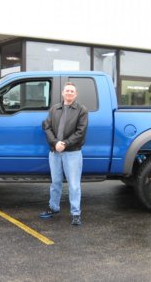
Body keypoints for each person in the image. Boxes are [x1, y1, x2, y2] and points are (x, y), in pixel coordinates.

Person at [39, 82, 88, 226]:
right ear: (63, 93)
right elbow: (46, 127)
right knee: (55, 183)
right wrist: (55, 143)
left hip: (72, 152)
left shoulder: (81, 110)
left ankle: (76, 213)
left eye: (72, 91)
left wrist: (65, 143)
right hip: (55, 152)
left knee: (74, 185)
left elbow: (81, 131)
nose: (69, 93)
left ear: (76, 94)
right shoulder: (55, 109)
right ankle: (53, 208)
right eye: (67, 91)